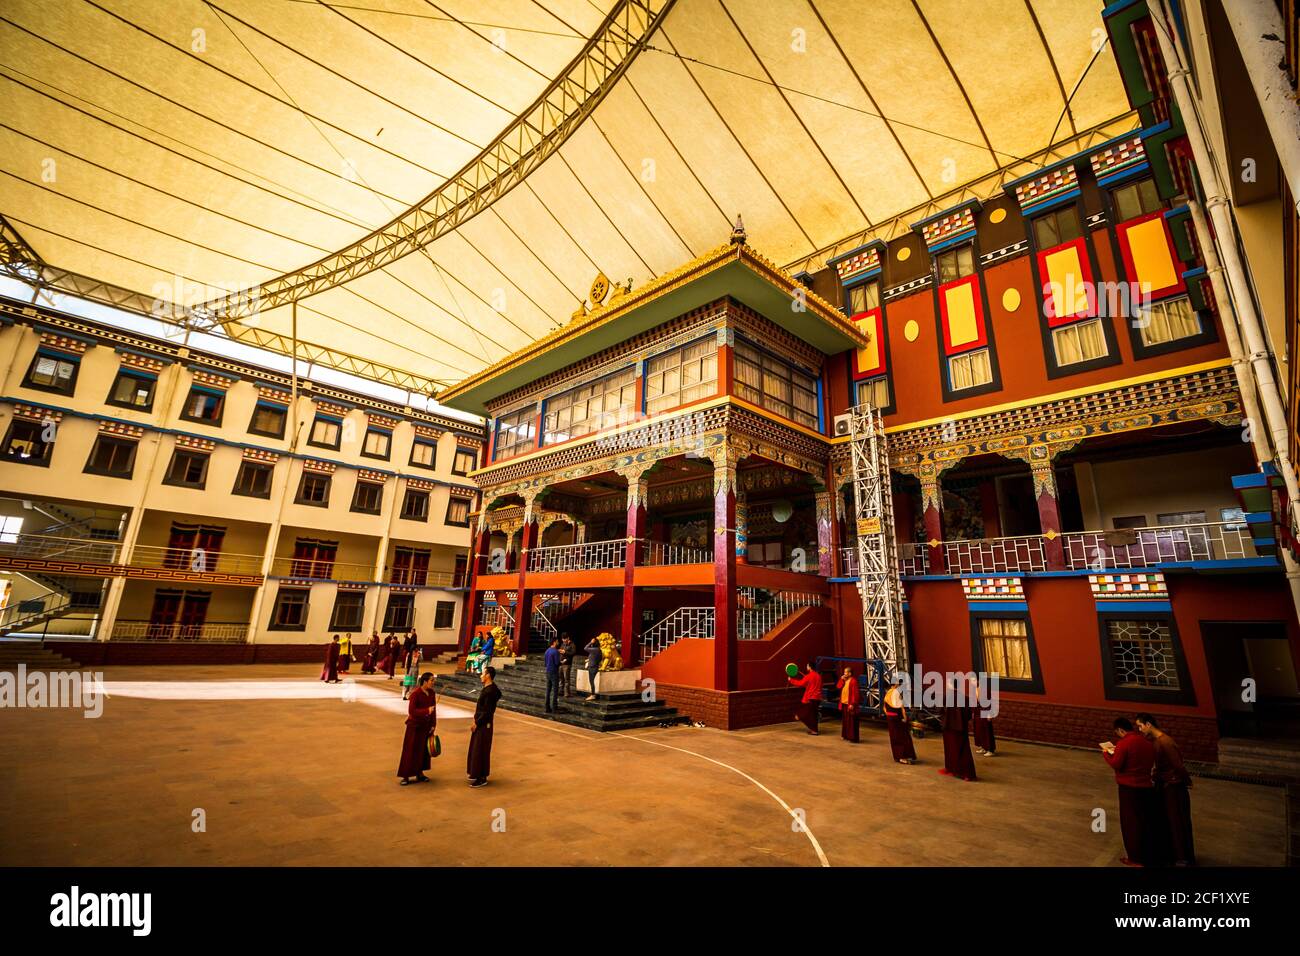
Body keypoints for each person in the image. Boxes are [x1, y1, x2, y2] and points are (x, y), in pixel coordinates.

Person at [1136, 713, 1195, 866]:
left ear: (1148, 724)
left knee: (1176, 820)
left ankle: (1182, 856)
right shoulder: (1157, 741)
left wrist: (1187, 781)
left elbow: (1178, 765)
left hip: (1173, 786)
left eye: (1140, 726)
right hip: (1164, 784)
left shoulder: (1165, 742)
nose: (1140, 729)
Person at [1101, 716, 1157, 867]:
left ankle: (1135, 858)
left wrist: (1106, 753)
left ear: (1120, 730)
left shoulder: (1124, 743)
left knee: (1130, 823)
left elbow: (1117, 764)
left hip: (1129, 788)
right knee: (1144, 821)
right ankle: (1148, 854)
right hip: (1146, 786)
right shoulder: (1146, 742)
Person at [397, 672, 435, 786]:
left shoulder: (432, 693)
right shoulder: (415, 694)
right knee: (410, 750)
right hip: (414, 727)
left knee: (423, 751)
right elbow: (412, 711)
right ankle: (405, 775)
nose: (433, 683)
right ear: (424, 681)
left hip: (426, 726)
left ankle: (420, 773)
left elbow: (434, 711)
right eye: (431, 680)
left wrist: (433, 725)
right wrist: (426, 711)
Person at [467, 666, 502, 788]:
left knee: (480, 750)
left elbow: (487, 712)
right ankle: (476, 773)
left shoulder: (490, 692)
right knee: (477, 748)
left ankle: (481, 777)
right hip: (481, 722)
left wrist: (477, 723)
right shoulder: (488, 689)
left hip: (484, 724)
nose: (480, 675)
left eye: (482, 673)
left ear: (488, 675)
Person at [939, 679, 976, 781]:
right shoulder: (965, 698)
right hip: (961, 727)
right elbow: (969, 714)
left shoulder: (946, 696)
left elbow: (940, 710)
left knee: (950, 749)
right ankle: (967, 774)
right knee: (963, 750)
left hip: (948, 728)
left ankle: (952, 769)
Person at [883, 680, 916, 764]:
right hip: (897, 718)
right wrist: (904, 718)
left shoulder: (888, 692)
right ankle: (903, 756)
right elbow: (901, 708)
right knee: (902, 736)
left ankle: (898, 756)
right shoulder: (896, 692)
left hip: (890, 718)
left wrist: (889, 714)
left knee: (894, 737)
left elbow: (884, 708)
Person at [788, 661, 823, 735]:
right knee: (813, 715)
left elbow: (800, 683)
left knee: (804, 714)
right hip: (818, 698)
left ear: (810, 667)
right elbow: (812, 685)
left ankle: (814, 730)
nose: (806, 667)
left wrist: (791, 680)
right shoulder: (818, 676)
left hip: (811, 698)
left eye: (807, 666)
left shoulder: (809, 676)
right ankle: (814, 730)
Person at [968, 675, 996, 757]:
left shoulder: (985, 690)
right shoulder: (974, 690)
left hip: (985, 712)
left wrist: (990, 714)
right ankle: (983, 747)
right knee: (978, 730)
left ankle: (990, 749)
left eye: (973, 680)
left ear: (978, 680)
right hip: (977, 712)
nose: (972, 683)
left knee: (986, 731)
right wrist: (973, 712)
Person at [835, 667, 860, 743]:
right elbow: (838, 687)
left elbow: (855, 694)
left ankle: (853, 738)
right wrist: (841, 679)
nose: (844, 673)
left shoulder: (853, 681)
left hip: (850, 704)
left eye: (846, 672)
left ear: (850, 673)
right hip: (844, 703)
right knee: (845, 721)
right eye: (844, 672)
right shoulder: (845, 680)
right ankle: (846, 735)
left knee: (851, 722)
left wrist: (852, 704)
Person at [543, 638, 561, 714]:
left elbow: (545, 663)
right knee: (555, 691)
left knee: (548, 690)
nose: (558, 642)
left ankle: (547, 708)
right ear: (554, 642)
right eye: (557, 641)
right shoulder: (555, 652)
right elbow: (557, 663)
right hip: (554, 672)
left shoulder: (547, 651)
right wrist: (562, 662)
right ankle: (554, 708)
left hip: (548, 671)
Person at [583, 636, 603, 702]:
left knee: (591, 681)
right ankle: (593, 694)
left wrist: (590, 642)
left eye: (593, 642)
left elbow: (585, 648)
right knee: (591, 681)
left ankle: (593, 695)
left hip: (592, 667)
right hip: (594, 666)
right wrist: (589, 660)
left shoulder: (595, 649)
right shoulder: (598, 650)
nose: (591, 643)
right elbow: (598, 658)